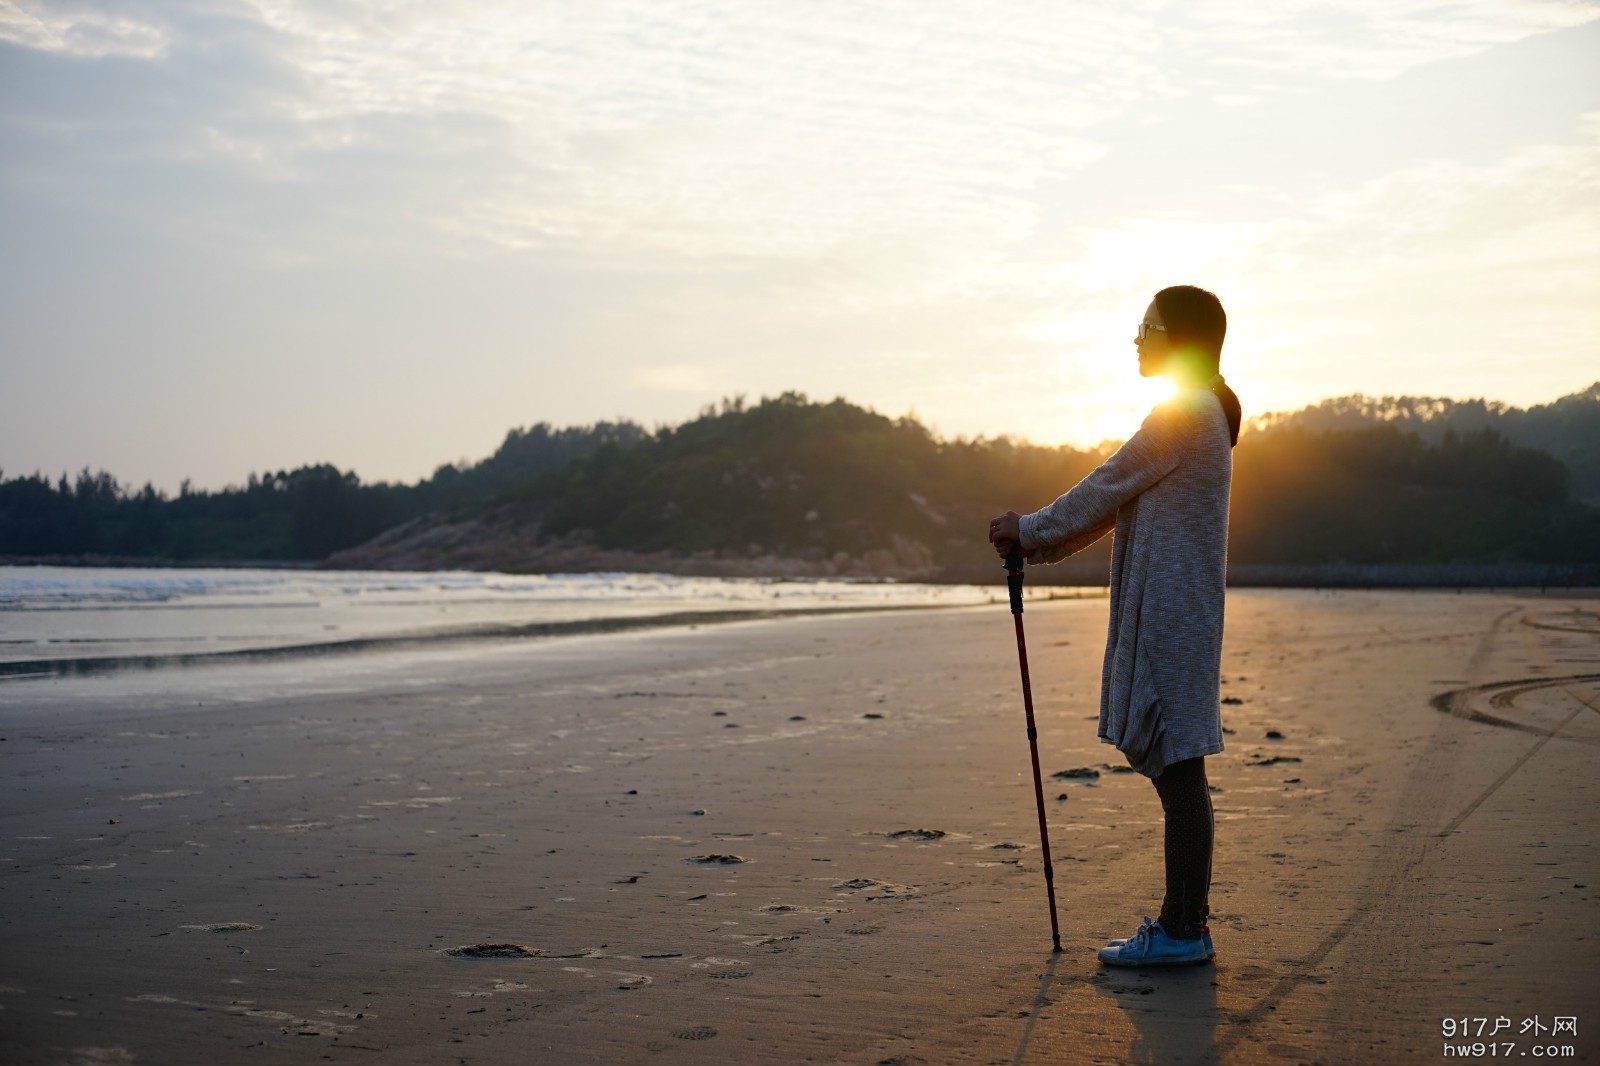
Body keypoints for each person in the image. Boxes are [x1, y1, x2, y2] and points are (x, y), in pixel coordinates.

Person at [988, 285, 1240, 967]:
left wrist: (1028, 529)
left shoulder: (1184, 412)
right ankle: (1186, 923)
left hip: (1170, 617)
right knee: (1177, 764)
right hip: (1179, 613)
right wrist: (1037, 545)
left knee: (1178, 770)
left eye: (1147, 325)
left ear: (1178, 337)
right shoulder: (1198, 412)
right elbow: (1115, 500)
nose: (1136, 335)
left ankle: (1185, 928)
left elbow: (1104, 483)